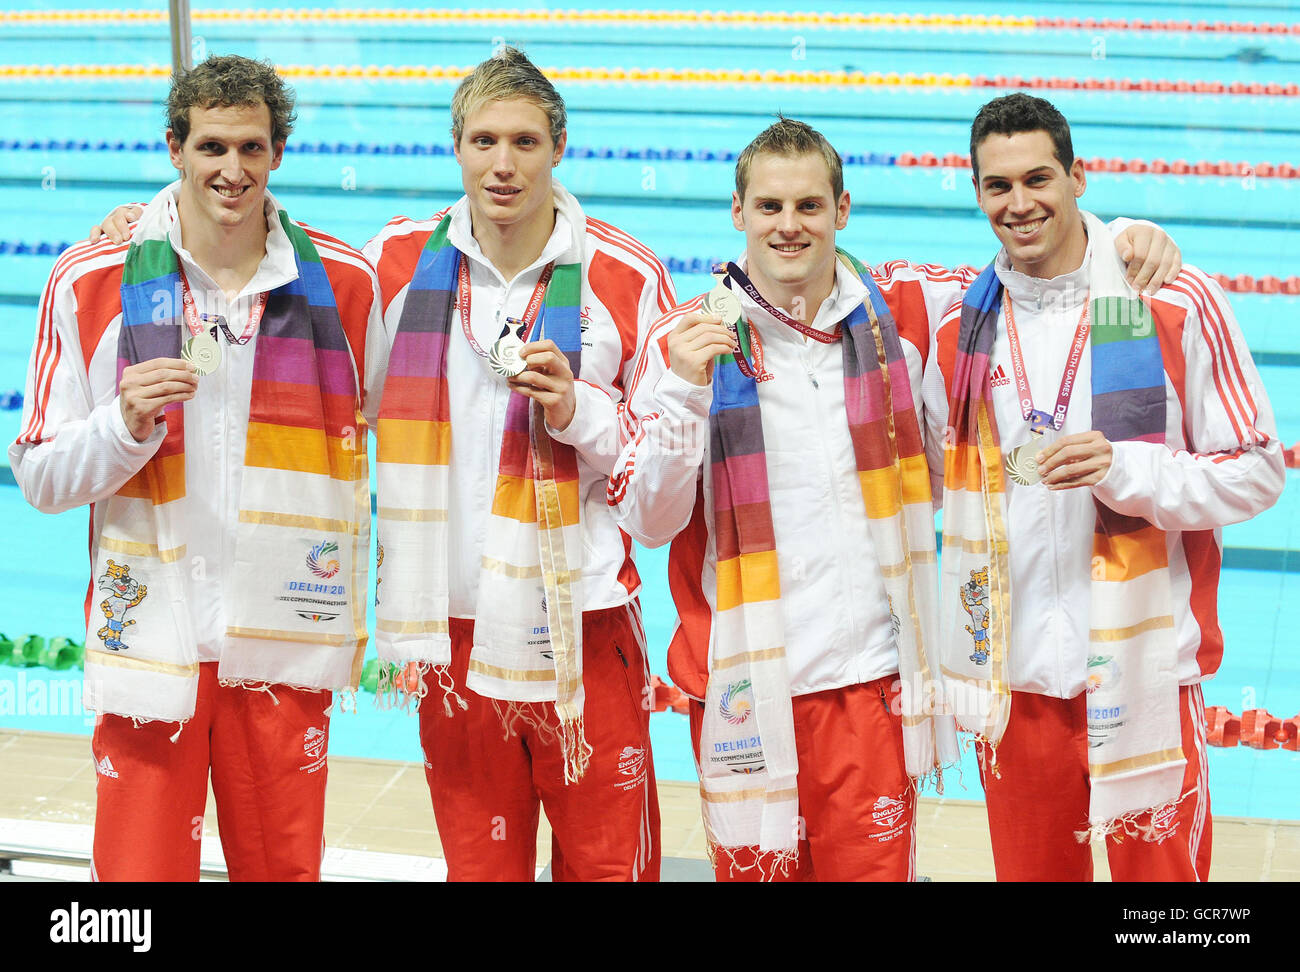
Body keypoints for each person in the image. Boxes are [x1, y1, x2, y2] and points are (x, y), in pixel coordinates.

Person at [608, 116, 1180, 881]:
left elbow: (1032, 256)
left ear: (842, 212)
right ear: (738, 213)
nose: (789, 226)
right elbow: (648, 519)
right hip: (744, 682)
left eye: (810, 206)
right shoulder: (684, 341)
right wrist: (681, 392)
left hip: (873, 686)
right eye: (770, 207)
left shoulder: (902, 313)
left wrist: (1129, 236)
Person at [12, 55, 387, 881]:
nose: (232, 169)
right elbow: (38, 477)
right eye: (212, 146)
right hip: (153, 639)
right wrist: (125, 423)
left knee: (284, 872)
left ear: (278, 154)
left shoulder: (347, 288)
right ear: (174, 147)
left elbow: (411, 439)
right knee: (136, 889)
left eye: (251, 148)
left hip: (284, 637)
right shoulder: (90, 281)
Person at [923, 93, 1284, 881]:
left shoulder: (1173, 300)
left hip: (1145, 669)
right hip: (1013, 685)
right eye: (997, 186)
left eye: (1039, 178)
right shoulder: (962, 329)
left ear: (1079, 177)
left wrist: (1128, 473)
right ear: (977, 192)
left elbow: (1258, 471)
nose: (1020, 204)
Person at [362, 48, 673, 882]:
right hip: (451, 627)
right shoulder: (392, 263)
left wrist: (578, 412)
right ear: (456, 147)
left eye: (526, 142)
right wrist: (145, 225)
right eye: (485, 140)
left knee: (610, 870)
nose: (503, 165)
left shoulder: (625, 273)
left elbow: (663, 481)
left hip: (586, 624)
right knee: (480, 871)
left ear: (559, 145)